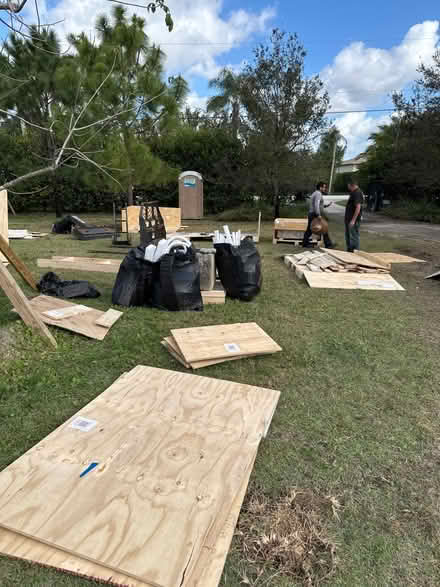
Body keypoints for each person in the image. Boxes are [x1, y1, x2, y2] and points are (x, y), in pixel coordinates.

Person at [302, 182, 335, 248]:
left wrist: (326, 205)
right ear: (320, 187)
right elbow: (316, 205)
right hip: (315, 214)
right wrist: (318, 214)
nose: (325, 189)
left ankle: (305, 243)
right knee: (323, 228)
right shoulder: (318, 194)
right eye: (324, 187)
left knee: (311, 229)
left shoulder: (315, 193)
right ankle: (328, 244)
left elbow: (319, 205)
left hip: (312, 213)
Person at [345, 180, 364, 252]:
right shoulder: (354, 192)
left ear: (351, 185)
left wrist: (353, 220)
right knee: (349, 236)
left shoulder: (357, 193)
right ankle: (349, 250)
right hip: (349, 219)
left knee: (354, 236)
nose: (348, 187)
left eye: (348, 185)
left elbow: (358, 207)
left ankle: (354, 252)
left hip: (352, 220)